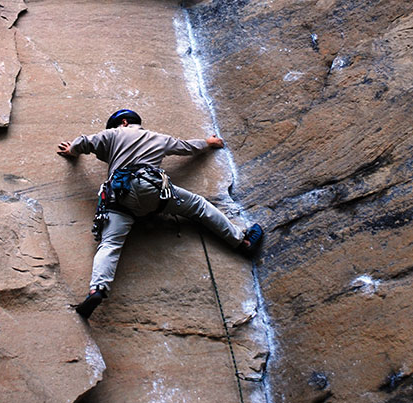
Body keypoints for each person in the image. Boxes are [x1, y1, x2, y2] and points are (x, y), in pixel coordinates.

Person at [58, 108, 263, 318]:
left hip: (118, 197)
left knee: (110, 244)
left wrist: (72, 151)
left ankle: (97, 289)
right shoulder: (158, 138)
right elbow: (186, 147)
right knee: (198, 206)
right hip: (151, 189)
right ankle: (242, 241)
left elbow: (85, 142)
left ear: (124, 122)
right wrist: (208, 143)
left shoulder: (113, 134)